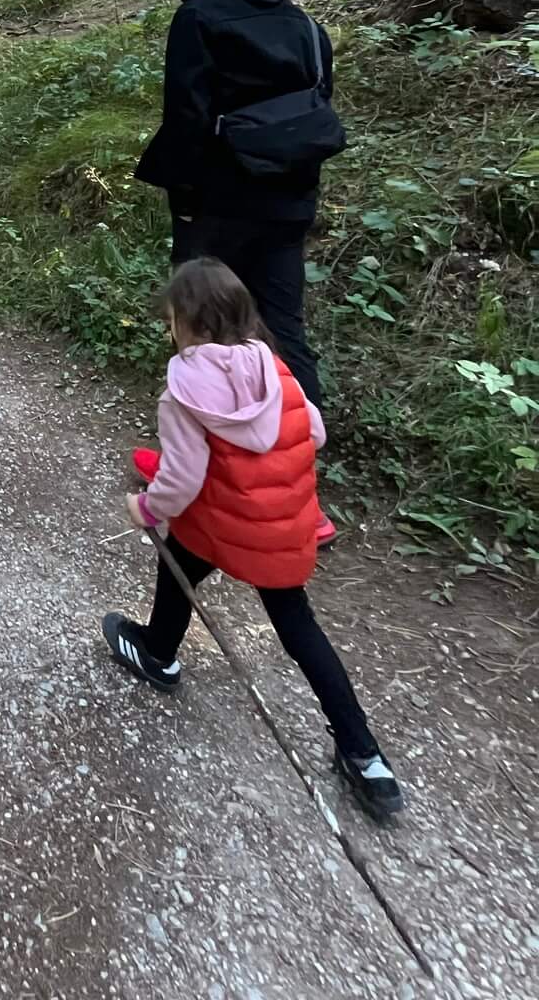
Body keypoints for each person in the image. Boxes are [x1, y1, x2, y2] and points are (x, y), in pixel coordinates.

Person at [102, 259, 403, 821]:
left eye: (171, 321)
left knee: (179, 565)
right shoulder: (275, 367)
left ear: (184, 324)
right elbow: (314, 431)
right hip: (283, 529)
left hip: (219, 523)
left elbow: (182, 479)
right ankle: (366, 758)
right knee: (297, 626)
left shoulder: (184, 388)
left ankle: (160, 655)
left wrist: (145, 507)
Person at [133, 0, 340, 544]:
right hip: (290, 198)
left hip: (217, 198)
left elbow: (188, 115)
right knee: (284, 326)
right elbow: (319, 101)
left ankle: (195, 470)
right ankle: (302, 496)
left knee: (201, 330)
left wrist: (184, 192)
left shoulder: (198, 16)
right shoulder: (304, 24)